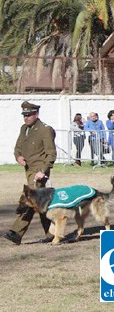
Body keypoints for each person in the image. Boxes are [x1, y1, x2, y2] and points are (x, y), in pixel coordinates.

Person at [3, 101, 56, 245]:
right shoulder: (24, 129)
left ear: (36, 114)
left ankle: (16, 232)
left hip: (39, 171)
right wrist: (18, 156)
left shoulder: (45, 130)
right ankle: (52, 233)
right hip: (28, 170)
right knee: (41, 203)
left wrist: (43, 171)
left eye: (29, 115)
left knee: (29, 200)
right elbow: (18, 147)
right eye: (24, 115)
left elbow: (51, 153)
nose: (26, 118)